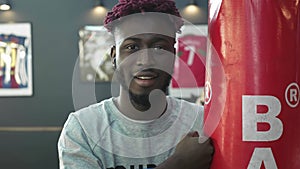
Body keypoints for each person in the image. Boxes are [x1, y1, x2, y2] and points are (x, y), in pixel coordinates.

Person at [57, 0, 214, 168]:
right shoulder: (83, 129)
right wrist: (178, 164)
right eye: (132, 47)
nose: (145, 61)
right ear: (114, 57)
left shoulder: (203, 122)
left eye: (159, 48)